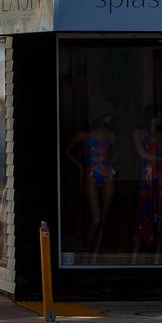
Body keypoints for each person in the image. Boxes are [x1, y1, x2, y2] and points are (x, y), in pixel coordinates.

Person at [66, 105, 119, 262]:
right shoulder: (83, 135)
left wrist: (110, 165)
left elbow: (116, 153)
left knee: (103, 218)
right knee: (95, 218)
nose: (107, 122)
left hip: (107, 175)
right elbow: (67, 151)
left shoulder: (110, 136)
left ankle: (95, 255)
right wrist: (81, 166)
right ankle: (88, 254)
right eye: (106, 118)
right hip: (90, 175)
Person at [132, 105, 162, 260]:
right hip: (148, 177)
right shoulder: (138, 132)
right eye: (156, 116)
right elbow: (141, 153)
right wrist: (159, 159)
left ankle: (159, 256)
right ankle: (135, 256)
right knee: (145, 211)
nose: (158, 120)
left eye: (160, 117)